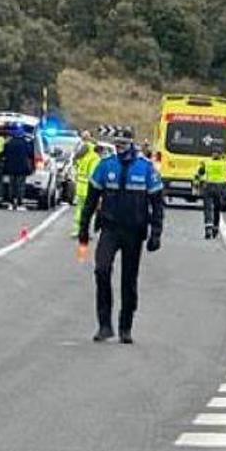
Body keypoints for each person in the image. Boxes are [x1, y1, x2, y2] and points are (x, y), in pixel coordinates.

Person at [77, 131, 164, 345]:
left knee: (129, 279)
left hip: (134, 231)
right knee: (102, 269)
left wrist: (156, 232)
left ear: (131, 145)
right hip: (109, 228)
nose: (119, 148)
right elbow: (91, 199)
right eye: (117, 144)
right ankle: (104, 325)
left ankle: (126, 326)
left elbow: (157, 204)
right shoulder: (106, 166)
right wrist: (83, 227)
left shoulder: (145, 169)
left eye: (123, 144)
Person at [71, 131, 101, 238]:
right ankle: (84, 231)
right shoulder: (95, 158)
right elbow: (94, 175)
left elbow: (76, 166)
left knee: (79, 209)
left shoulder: (82, 155)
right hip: (89, 188)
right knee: (89, 211)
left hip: (80, 187)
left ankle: (77, 229)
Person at [195, 152, 226, 239]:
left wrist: (197, 183)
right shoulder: (224, 164)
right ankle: (215, 228)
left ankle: (208, 228)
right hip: (220, 188)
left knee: (208, 208)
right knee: (217, 209)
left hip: (209, 187)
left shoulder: (207, 163)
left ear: (212, 155)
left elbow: (198, 174)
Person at [1, 124, 34, 210]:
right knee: (20, 184)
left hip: (11, 167)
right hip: (22, 168)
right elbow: (30, 153)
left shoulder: (9, 143)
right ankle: (19, 200)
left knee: (12, 184)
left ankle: (11, 199)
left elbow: (4, 153)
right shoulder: (25, 143)